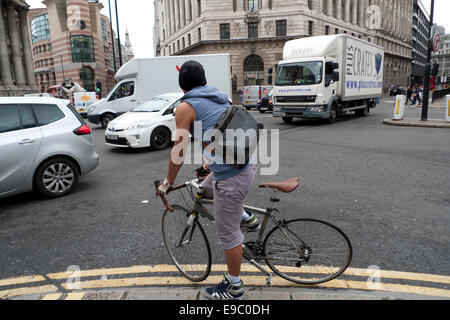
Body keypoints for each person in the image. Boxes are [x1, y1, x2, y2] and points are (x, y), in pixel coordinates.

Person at [157, 61, 260, 300]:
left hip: (232, 177)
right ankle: (247, 217)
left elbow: (179, 151)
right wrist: (209, 162)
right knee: (205, 186)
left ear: (182, 84)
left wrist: (167, 182)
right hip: (244, 164)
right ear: (203, 80)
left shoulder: (185, 107)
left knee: (229, 236)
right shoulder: (219, 97)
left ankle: (235, 287)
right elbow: (221, 131)